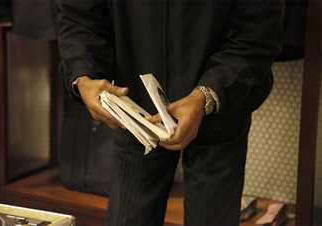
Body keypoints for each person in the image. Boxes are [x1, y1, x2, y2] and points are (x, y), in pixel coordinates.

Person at [55, 0, 284, 225]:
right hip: (136, 113)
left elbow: (255, 35)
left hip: (220, 110)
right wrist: (82, 77)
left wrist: (207, 94)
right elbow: (79, 15)